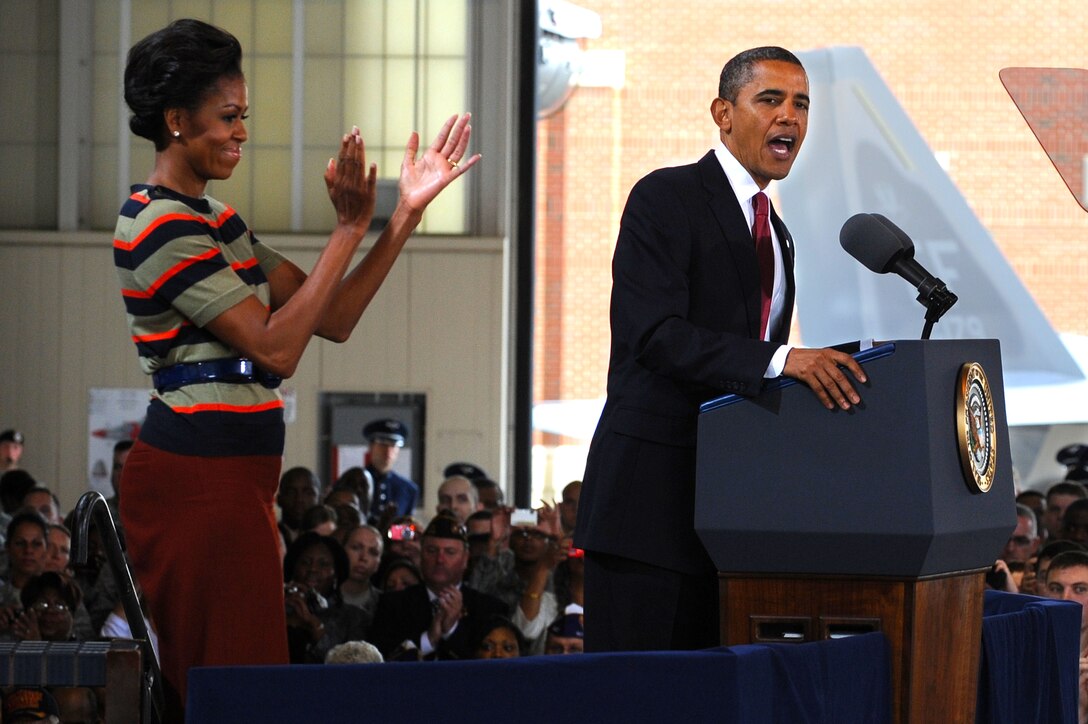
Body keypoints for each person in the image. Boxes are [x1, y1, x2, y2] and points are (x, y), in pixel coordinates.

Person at [113, 18, 479, 716]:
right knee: (227, 682)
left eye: (243, 116)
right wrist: (347, 228)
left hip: (233, 478)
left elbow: (330, 318)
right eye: (228, 117)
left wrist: (401, 214)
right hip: (197, 478)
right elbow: (277, 348)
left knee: (246, 676)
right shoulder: (158, 223)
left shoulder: (213, 219)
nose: (242, 132)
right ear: (176, 121)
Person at [573, 46, 866, 653]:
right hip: (647, 513)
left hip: (729, 520)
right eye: (771, 100)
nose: (790, 117)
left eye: (802, 104)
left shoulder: (779, 234)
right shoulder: (666, 197)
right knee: (638, 695)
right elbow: (654, 334)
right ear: (723, 113)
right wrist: (785, 361)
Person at [367, 514, 509, 660]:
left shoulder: (489, 609)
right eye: (432, 551)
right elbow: (380, 659)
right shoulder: (392, 604)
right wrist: (428, 639)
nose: (440, 560)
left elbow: (488, 665)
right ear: (421, 555)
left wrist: (451, 631)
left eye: (450, 552)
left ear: (465, 559)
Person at [363, 419, 419, 519]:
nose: (388, 451)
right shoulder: (353, 483)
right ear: (371, 446)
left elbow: (406, 529)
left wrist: (389, 531)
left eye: (393, 445)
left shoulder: (408, 489)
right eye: (383, 444)